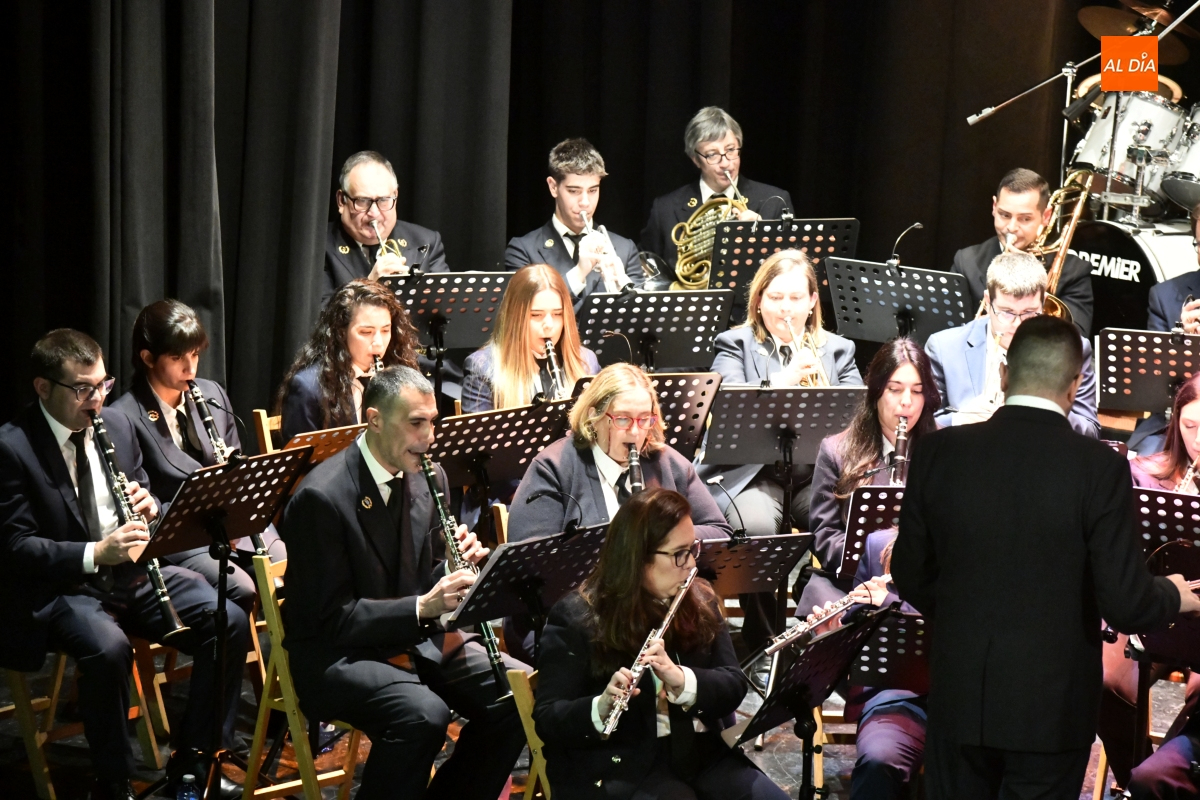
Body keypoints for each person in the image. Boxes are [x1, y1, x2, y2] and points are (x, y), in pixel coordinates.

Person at [892, 315, 1200, 799]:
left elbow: (909, 574)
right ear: (1076, 383)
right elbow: (1124, 602)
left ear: (1004, 375)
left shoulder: (937, 452)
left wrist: (965, 610)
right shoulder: (1100, 467)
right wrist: (1173, 595)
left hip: (959, 698)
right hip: (1050, 712)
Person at [0, 329, 248, 800]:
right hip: (65, 586)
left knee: (228, 619)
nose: (96, 399)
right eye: (82, 389)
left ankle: (195, 763)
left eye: (102, 385)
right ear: (42, 387)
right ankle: (112, 782)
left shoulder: (113, 424)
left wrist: (150, 507)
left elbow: (141, 492)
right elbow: (15, 547)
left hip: (130, 572)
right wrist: (96, 552)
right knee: (109, 649)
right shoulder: (12, 447)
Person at [279, 365, 529, 800]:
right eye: (416, 423)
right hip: (337, 654)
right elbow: (335, 618)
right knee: (423, 716)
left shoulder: (429, 475)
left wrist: (451, 569)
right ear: (374, 419)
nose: (429, 436)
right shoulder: (321, 498)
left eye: (432, 422)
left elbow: (423, 574)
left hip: (414, 638)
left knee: (516, 696)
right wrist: (423, 607)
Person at [533, 487, 790, 799]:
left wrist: (683, 680)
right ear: (638, 558)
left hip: (699, 754)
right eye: (679, 554)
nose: (691, 564)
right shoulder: (577, 616)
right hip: (621, 763)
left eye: (693, 549)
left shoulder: (700, 598)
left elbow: (733, 684)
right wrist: (599, 708)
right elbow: (548, 718)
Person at [700, 249, 862, 659]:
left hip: (815, 476)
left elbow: (860, 415)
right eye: (775, 298)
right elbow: (726, 401)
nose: (785, 308)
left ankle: (832, 631)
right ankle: (764, 643)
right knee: (754, 530)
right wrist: (783, 381)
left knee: (850, 525)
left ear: (812, 302)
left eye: (795, 298)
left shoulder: (838, 350)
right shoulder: (735, 344)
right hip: (751, 474)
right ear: (758, 301)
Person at [112, 300, 280, 612]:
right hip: (181, 539)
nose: (191, 368)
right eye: (177, 358)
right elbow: (139, 506)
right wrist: (210, 527)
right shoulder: (123, 416)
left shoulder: (212, 393)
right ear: (148, 358)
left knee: (291, 564)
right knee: (241, 587)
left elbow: (238, 470)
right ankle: (231, 657)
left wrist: (233, 489)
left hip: (233, 524)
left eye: (195, 355)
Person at [1096, 372, 1200, 790]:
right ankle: (1135, 778)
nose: (1198, 439)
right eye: (1190, 427)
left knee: (1196, 699)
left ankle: (1168, 776)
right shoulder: (1146, 475)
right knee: (1101, 677)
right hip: (1159, 611)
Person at [508, 363, 732, 544]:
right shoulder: (553, 467)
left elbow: (719, 531)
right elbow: (529, 556)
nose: (635, 432)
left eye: (644, 419)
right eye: (622, 419)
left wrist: (664, 538)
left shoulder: (667, 462)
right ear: (593, 417)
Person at [799, 338, 939, 615]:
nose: (907, 402)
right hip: (858, 580)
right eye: (894, 390)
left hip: (927, 580)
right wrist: (873, 559)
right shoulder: (836, 450)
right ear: (875, 392)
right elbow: (825, 534)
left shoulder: (946, 447)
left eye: (918, 391)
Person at [805, 529, 927, 800]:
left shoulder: (992, 547)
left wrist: (892, 603)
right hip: (897, 694)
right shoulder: (879, 545)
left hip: (977, 701)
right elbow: (858, 636)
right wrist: (832, 638)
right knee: (879, 759)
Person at [925, 250, 1100, 437]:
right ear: (987, 301)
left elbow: (1090, 431)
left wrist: (1048, 406)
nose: (1017, 325)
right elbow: (922, 427)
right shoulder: (944, 347)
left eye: (1029, 313)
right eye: (1006, 312)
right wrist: (961, 419)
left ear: (1044, 302)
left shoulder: (1073, 349)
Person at [639, 107, 792, 274]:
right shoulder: (665, 209)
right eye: (712, 155)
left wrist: (762, 237)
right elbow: (646, 267)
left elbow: (790, 270)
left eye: (731, 150)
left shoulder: (774, 201)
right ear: (696, 160)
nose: (725, 163)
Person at [504, 138, 644, 312]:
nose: (585, 202)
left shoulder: (625, 249)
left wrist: (622, 289)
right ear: (553, 187)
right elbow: (524, 313)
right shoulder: (523, 250)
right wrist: (579, 272)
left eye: (593, 190)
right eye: (573, 191)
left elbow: (639, 319)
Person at [950, 168, 1093, 337]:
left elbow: (1076, 341)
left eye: (1025, 219)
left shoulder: (1074, 271)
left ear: (1046, 216)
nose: (1011, 227)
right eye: (1004, 215)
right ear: (994, 207)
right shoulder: (966, 262)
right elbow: (951, 333)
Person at [276, 279, 420, 444]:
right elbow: (303, 465)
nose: (379, 342)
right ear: (341, 332)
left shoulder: (398, 379)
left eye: (386, 330)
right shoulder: (308, 388)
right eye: (366, 332)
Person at [461, 263, 600, 413]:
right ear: (514, 318)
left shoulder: (587, 363)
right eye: (536, 315)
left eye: (557, 314)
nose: (549, 325)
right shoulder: (483, 369)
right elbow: (482, 435)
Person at [321, 150, 449, 307]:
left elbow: (443, 313)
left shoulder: (426, 242)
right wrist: (369, 285)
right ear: (341, 201)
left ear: (395, 195)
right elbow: (318, 318)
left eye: (383, 200)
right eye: (362, 201)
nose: (374, 213)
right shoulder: (319, 247)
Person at [1129, 205, 1200, 455]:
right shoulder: (1166, 296)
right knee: (1144, 457)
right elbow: (1158, 394)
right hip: (1177, 424)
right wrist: (1187, 344)